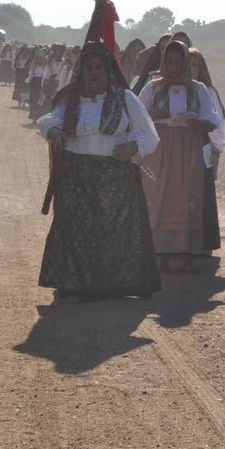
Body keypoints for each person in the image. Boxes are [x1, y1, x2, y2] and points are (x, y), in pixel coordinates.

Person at [37, 42, 161, 299]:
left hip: (115, 177)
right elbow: (50, 118)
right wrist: (54, 130)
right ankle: (75, 282)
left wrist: (132, 148)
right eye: (88, 68)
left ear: (108, 72)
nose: (93, 73)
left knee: (113, 231)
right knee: (76, 230)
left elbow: (150, 135)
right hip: (76, 175)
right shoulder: (71, 99)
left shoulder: (125, 98)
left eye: (99, 68)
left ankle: (116, 283)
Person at [138, 40, 223, 272]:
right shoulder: (152, 87)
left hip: (188, 146)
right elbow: (137, 115)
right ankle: (160, 252)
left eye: (179, 62)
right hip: (160, 148)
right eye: (170, 62)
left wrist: (199, 123)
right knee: (159, 191)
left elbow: (213, 117)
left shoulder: (198, 89)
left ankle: (185, 252)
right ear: (164, 62)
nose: (174, 67)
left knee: (185, 193)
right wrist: (152, 116)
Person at [187, 48, 225, 253]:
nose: (190, 69)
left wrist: (216, 148)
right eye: (188, 64)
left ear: (201, 68)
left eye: (194, 65)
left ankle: (203, 243)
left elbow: (217, 122)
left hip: (203, 148)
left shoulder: (207, 91)